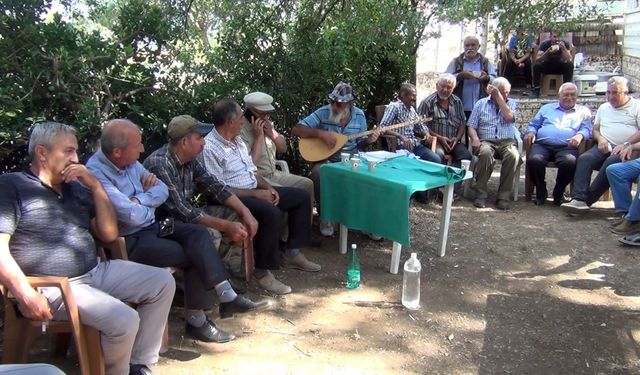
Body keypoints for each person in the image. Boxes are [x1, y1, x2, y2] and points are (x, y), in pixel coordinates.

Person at [0, 122, 175, 375]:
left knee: (161, 282)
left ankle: (138, 364)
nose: (76, 159)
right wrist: (25, 293)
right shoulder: (11, 186)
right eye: (68, 152)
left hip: (94, 272)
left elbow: (108, 233)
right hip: (53, 286)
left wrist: (94, 186)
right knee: (124, 319)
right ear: (42, 153)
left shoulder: (76, 188)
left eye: (76, 152)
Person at [87, 119, 270, 344]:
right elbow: (131, 215)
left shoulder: (131, 161)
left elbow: (161, 191)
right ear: (117, 152)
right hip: (131, 237)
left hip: (154, 225)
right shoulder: (101, 171)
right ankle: (197, 321)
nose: (143, 150)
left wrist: (139, 200)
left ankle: (225, 293)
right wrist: (144, 202)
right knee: (196, 251)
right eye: (138, 146)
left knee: (198, 234)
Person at [143, 115, 296, 296]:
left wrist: (245, 211)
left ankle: (230, 277)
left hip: (184, 216)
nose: (204, 142)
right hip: (161, 224)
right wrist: (226, 226)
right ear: (185, 142)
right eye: (199, 138)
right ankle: (193, 287)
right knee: (211, 233)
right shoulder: (160, 163)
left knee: (236, 216)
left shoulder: (190, 159)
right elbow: (183, 211)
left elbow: (215, 186)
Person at [203, 98, 321, 281]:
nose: (243, 121)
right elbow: (219, 190)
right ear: (230, 121)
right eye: (241, 117)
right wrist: (256, 193)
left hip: (253, 187)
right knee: (271, 212)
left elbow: (252, 170)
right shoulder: (210, 147)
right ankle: (263, 271)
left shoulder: (236, 141)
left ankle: (292, 253)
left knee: (301, 196)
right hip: (232, 196)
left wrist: (268, 188)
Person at [291, 81, 381, 237]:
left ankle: (365, 222)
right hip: (328, 160)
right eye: (332, 102)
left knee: (372, 176)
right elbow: (296, 129)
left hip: (352, 160)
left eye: (339, 104)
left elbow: (361, 145)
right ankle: (326, 217)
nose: (334, 106)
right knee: (318, 172)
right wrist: (321, 134)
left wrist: (369, 140)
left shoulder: (359, 116)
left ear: (350, 104)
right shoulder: (323, 112)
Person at [562, 77, 640, 215]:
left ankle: (587, 201)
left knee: (611, 163)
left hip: (628, 150)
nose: (610, 96)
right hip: (605, 145)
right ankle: (578, 199)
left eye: (615, 92)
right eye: (608, 92)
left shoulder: (637, 107)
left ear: (626, 92)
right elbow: (595, 129)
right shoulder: (604, 108)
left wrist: (626, 144)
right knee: (585, 159)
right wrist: (601, 139)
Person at [524, 82, 592, 206]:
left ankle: (558, 192)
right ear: (559, 96)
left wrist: (580, 135)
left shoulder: (583, 111)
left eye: (573, 95)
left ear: (577, 96)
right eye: (566, 94)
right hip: (543, 144)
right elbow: (534, 125)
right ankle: (541, 190)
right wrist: (531, 133)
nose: (569, 98)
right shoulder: (546, 108)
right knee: (534, 160)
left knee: (569, 162)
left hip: (567, 147)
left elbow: (587, 129)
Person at [240, 92, 314, 205]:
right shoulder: (241, 130)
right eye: (262, 114)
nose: (266, 117)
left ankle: (306, 222)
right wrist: (258, 136)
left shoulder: (267, 124)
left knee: (307, 184)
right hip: (257, 177)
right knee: (290, 194)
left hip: (274, 173)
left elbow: (283, 148)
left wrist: (271, 132)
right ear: (250, 112)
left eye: (268, 114)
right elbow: (251, 164)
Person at [467, 77, 521, 210]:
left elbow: (509, 117)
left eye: (507, 92)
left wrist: (499, 98)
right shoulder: (481, 103)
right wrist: (475, 138)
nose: (505, 95)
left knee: (513, 156)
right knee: (485, 153)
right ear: (492, 90)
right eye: (501, 92)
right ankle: (480, 194)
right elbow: (471, 126)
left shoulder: (512, 103)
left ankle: (503, 196)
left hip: (507, 142)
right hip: (487, 141)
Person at [417, 73, 472, 172]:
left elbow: (462, 122)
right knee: (438, 157)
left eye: (449, 87)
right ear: (437, 85)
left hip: (453, 142)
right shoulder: (427, 102)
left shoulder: (457, 101)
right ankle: (439, 185)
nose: (445, 90)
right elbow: (420, 125)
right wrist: (440, 138)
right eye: (443, 86)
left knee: (465, 156)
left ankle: (453, 184)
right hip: (435, 141)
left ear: (453, 88)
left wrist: (457, 138)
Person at [379, 82, 440, 163]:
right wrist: (400, 136)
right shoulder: (394, 107)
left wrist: (427, 135)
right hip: (400, 147)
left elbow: (421, 126)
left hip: (414, 145)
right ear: (404, 95)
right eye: (413, 96)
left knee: (435, 159)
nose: (415, 98)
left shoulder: (412, 110)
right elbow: (382, 127)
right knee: (413, 163)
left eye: (415, 96)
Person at [445, 35, 497, 119]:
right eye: (467, 45)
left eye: (473, 45)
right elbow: (445, 79)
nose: (470, 48)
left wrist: (486, 78)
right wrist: (460, 76)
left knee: (477, 131)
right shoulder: (456, 62)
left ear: (478, 46)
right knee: (461, 131)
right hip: (459, 107)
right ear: (463, 47)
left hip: (481, 107)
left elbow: (496, 81)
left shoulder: (485, 62)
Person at [533, 32, 575, 96]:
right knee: (536, 65)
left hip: (559, 66)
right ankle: (536, 89)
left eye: (559, 37)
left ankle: (566, 88)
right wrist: (547, 52)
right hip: (547, 65)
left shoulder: (565, 44)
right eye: (555, 37)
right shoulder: (545, 44)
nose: (557, 39)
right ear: (550, 37)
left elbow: (569, 59)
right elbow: (538, 59)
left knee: (570, 65)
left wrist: (564, 49)